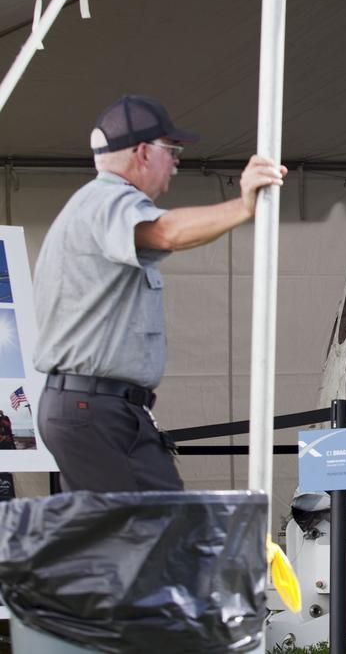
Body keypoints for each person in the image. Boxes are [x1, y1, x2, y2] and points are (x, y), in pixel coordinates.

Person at [33, 95, 286, 492]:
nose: (178, 161)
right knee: (157, 531)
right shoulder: (108, 201)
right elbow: (166, 231)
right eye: (172, 150)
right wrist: (245, 205)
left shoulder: (91, 205)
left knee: (132, 537)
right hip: (97, 410)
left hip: (95, 409)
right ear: (141, 152)